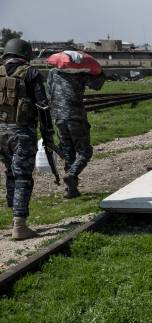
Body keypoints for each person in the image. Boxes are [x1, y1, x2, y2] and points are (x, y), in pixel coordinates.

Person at [0, 39, 55, 240]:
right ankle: (19, 226)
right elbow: (43, 107)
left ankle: (12, 220)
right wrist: (48, 135)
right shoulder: (31, 73)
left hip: (0, 135)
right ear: (26, 53)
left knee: (10, 173)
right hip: (21, 134)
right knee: (22, 176)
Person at [47, 56, 105, 198]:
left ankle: (71, 190)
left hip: (59, 118)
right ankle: (72, 174)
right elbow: (97, 85)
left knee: (68, 152)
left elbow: (49, 93)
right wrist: (101, 73)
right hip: (76, 117)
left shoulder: (53, 73)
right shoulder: (81, 73)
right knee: (85, 152)